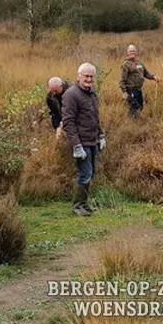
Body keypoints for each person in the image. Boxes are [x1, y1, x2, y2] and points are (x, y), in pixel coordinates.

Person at [61, 63, 106, 217]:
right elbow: (68, 122)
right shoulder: (71, 94)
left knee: (91, 173)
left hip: (92, 140)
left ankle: (84, 204)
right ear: (78, 76)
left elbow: (95, 116)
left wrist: (101, 135)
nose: (88, 79)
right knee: (85, 174)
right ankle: (77, 206)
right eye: (86, 76)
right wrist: (76, 145)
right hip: (81, 142)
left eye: (91, 76)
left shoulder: (92, 92)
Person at [119, 44, 161, 118]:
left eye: (134, 51)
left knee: (140, 106)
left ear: (136, 52)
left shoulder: (139, 63)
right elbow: (122, 81)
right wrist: (124, 93)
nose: (132, 52)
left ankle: (136, 121)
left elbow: (146, 73)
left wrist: (154, 77)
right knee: (134, 107)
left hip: (139, 89)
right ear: (127, 52)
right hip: (131, 89)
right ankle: (132, 123)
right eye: (131, 51)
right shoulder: (125, 65)